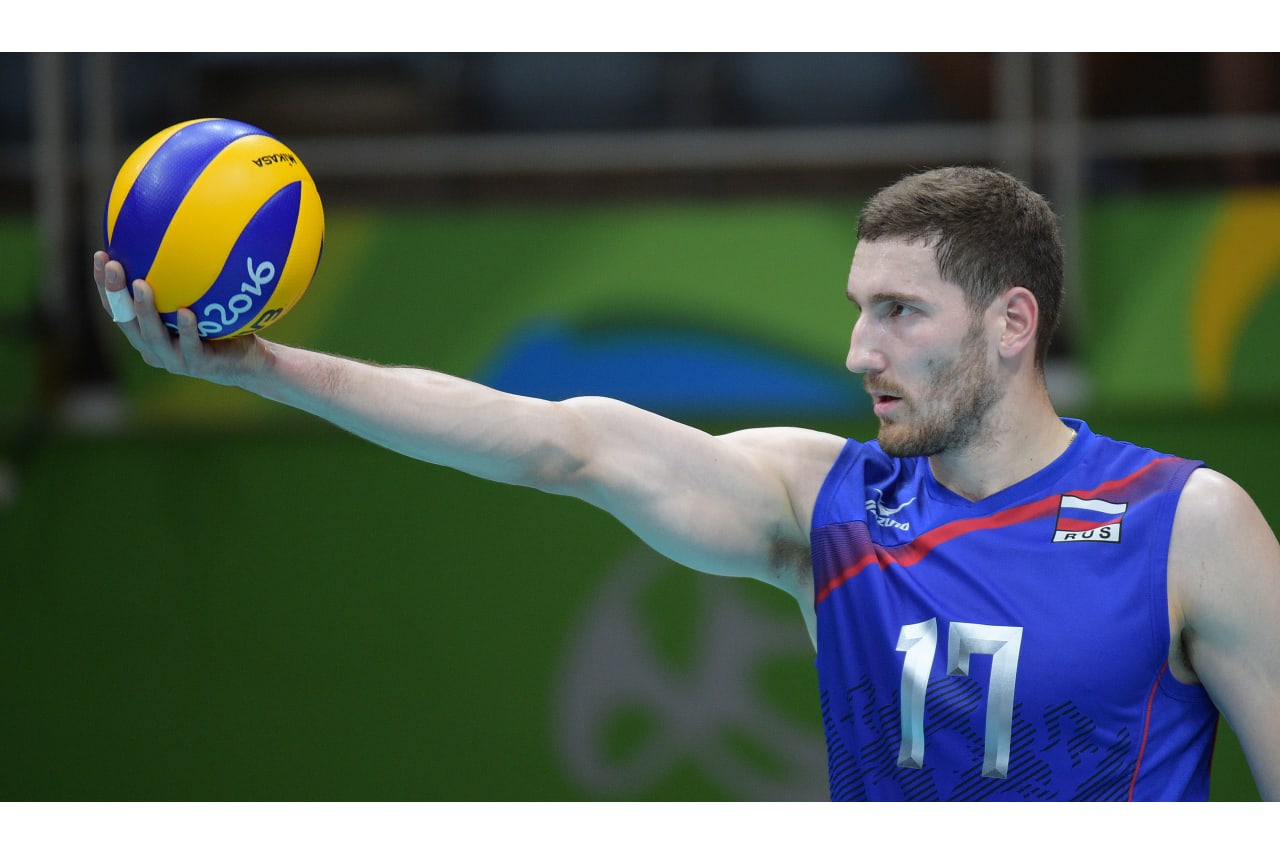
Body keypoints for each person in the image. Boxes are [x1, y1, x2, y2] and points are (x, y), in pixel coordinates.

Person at [92, 166, 1280, 801]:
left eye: (899, 313)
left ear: (1012, 322)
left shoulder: (1186, 523)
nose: (859, 352)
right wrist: (267, 367)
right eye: (857, 310)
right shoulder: (825, 506)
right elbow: (561, 441)